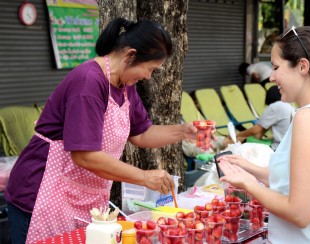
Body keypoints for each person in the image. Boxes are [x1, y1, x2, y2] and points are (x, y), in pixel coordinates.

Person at [4, 18, 210, 244]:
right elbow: (84, 155)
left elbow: (141, 134)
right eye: (150, 69)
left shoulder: (124, 85)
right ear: (130, 55)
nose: (148, 77)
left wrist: (183, 131)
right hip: (42, 193)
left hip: (83, 195)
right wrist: (143, 176)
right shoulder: (88, 82)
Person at [218, 26, 310, 243]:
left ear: (303, 66)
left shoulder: (309, 118)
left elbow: (300, 213)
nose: (271, 77)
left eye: (276, 67)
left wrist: (248, 185)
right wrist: (250, 169)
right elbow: (300, 180)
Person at [223, 85, 294, 150]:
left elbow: (255, 130)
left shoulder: (275, 106)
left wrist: (235, 135)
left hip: (279, 147)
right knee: (244, 139)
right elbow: (259, 134)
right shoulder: (288, 106)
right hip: (289, 145)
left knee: (231, 142)